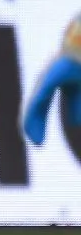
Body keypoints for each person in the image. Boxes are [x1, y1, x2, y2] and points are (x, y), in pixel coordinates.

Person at [22, 12, 81, 146]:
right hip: (68, 59)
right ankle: (34, 126)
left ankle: (76, 123)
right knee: (47, 87)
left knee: (76, 103)